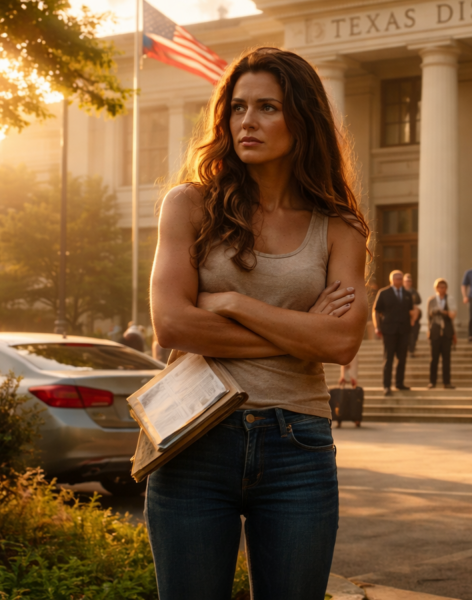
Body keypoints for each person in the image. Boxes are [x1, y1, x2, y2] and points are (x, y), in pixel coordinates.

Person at [148, 47, 368, 600]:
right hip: (194, 439)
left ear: (303, 118)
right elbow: (172, 324)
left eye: (267, 107)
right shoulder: (190, 206)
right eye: (238, 107)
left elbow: (341, 342)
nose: (247, 121)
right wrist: (298, 333)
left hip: (298, 445)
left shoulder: (339, 227)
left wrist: (232, 304)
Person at [373, 270, 420, 395]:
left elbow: (412, 310)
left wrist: (413, 320)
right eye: (397, 278)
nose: (399, 280)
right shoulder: (384, 293)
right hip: (389, 331)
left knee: (402, 358)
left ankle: (399, 383)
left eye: (401, 278)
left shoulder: (407, 294)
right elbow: (376, 311)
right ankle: (386, 386)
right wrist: (377, 327)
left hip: (404, 331)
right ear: (391, 280)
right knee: (388, 358)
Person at [427, 278, 456, 389]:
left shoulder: (450, 299)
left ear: (446, 288)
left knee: (446, 358)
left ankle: (446, 382)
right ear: (436, 288)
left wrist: (444, 312)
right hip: (435, 331)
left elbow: (453, 314)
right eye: (439, 287)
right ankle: (432, 382)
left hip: (447, 332)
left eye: (443, 287)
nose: (441, 289)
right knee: (433, 358)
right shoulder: (432, 300)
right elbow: (429, 316)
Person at [403, 273, 422, 357]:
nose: (408, 283)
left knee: (414, 334)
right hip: (403, 317)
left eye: (409, 281)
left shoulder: (414, 291)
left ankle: (411, 349)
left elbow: (418, 302)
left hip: (413, 316)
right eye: (406, 281)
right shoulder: (400, 291)